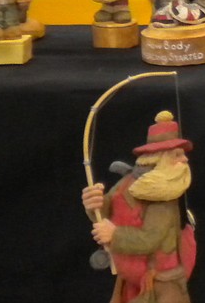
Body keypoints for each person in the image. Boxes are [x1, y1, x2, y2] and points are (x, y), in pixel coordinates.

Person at [81, 110, 196, 303]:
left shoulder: (163, 195)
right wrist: (96, 204)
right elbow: (108, 210)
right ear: (158, 156)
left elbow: (151, 239)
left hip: (161, 285)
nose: (185, 160)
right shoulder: (128, 183)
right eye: (177, 155)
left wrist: (114, 235)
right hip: (133, 279)